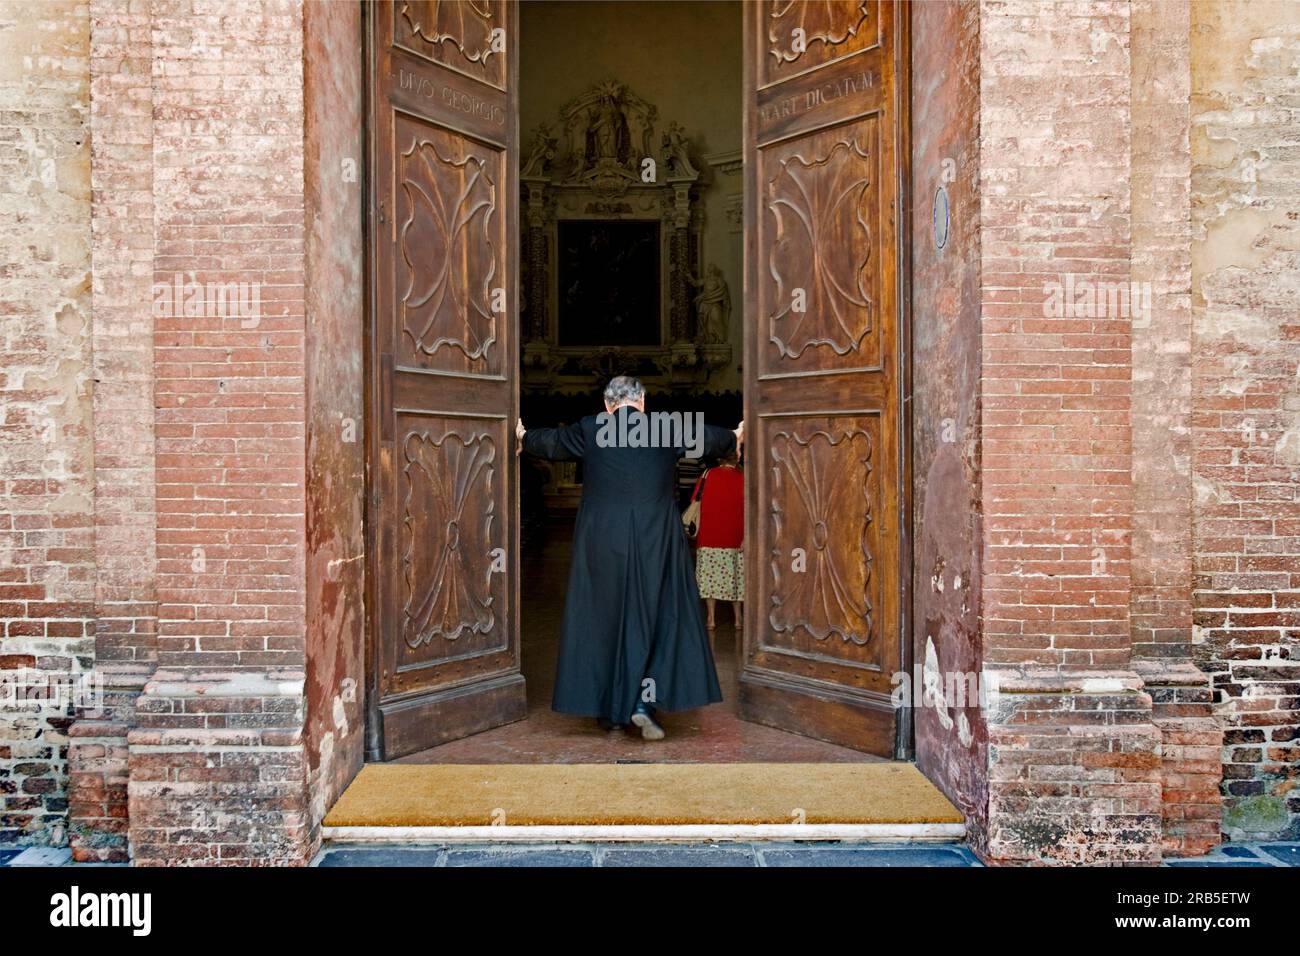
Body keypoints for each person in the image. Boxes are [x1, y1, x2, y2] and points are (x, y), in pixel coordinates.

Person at [516, 376, 743, 740]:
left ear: (608, 406)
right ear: (642, 402)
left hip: (603, 544)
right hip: (657, 541)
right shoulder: (664, 428)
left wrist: (521, 436)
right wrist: (738, 433)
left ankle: (613, 710)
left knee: (605, 621)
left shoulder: (591, 428)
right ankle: (642, 703)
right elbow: (714, 437)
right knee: (657, 618)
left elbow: (549, 444)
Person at [691, 448, 744, 641]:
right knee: (736, 578)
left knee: (709, 579)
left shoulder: (707, 475)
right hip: (734, 536)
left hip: (708, 535)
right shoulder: (743, 478)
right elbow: (749, 508)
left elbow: (695, 500)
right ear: (737, 457)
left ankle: (711, 619)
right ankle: (738, 619)